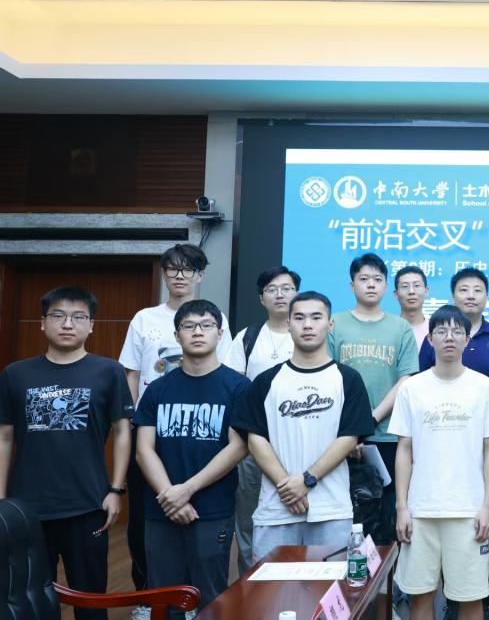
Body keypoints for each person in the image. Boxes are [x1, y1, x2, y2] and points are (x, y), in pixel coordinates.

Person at [0, 286, 133, 620]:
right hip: (27, 506)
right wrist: (1, 499)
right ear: (42, 323)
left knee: (91, 600)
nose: (68, 324)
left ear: (91, 325)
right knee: (29, 600)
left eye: (78, 317)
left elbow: (122, 432)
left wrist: (116, 490)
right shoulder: (16, 374)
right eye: (58, 315)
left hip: (87, 503)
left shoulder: (109, 371)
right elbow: (4, 437)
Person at [119, 243, 232, 610]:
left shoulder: (216, 322)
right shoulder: (144, 319)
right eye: (173, 269)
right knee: (146, 526)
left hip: (206, 434)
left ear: (200, 275)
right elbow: (131, 373)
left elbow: (224, 374)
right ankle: (146, 599)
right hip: (153, 430)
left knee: (207, 559)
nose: (180, 276)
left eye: (188, 269)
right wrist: (132, 422)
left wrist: (185, 491)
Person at [233, 291, 375, 560]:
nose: (307, 325)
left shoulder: (348, 379)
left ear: (330, 325)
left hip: (331, 510)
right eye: (299, 318)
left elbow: (349, 437)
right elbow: (255, 438)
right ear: (288, 324)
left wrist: (307, 480)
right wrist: (288, 487)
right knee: (270, 586)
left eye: (316, 317)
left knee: (330, 585)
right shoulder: (266, 381)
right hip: (276, 509)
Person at [392, 305, 489, 620]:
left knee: (471, 599)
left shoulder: (485, 387)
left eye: (457, 331)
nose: (449, 337)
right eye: (441, 331)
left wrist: (488, 505)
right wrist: (402, 507)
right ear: (429, 339)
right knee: (420, 597)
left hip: (469, 511)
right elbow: (404, 449)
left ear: (467, 339)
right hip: (421, 510)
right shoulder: (412, 388)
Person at [134, 300, 248, 618]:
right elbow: (143, 450)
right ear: (177, 335)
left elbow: (238, 447)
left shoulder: (238, 387)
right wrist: (170, 495)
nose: (198, 332)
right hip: (161, 509)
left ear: (220, 334)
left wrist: (185, 490)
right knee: (164, 600)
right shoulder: (157, 389)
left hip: (211, 509)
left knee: (211, 600)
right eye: (189, 326)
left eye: (206, 325)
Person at [419, 267, 489, 620]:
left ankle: (483, 603)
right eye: (463, 289)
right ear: (453, 295)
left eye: (478, 290)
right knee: (447, 531)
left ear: (487, 297)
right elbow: (422, 385)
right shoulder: (434, 338)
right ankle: (453, 602)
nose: (471, 295)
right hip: (442, 447)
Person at [328, 253, 419, 545]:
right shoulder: (334, 324)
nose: (371, 285)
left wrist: (371, 418)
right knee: (349, 516)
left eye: (377, 279)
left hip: (390, 435)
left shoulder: (400, 328)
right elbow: (329, 378)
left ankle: (390, 575)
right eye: (364, 279)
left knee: (390, 516)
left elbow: (406, 379)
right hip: (343, 436)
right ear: (351, 284)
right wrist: (354, 428)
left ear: (385, 286)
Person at [224, 264, 300, 574]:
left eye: (287, 288)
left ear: (297, 293)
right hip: (253, 444)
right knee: (248, 518)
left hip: (299, 443)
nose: (280, 295)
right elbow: (232, 387)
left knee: (298, 513)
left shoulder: (310, 334)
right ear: (261, 298)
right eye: (272, 289)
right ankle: (250, 582)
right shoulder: (248, 337)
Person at [395, 266, 430, 350]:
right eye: (405, 286)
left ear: (426, 291)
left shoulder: (434, 331)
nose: (411, 291)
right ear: (396, 294)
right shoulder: (388, 329)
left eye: (416, 285)